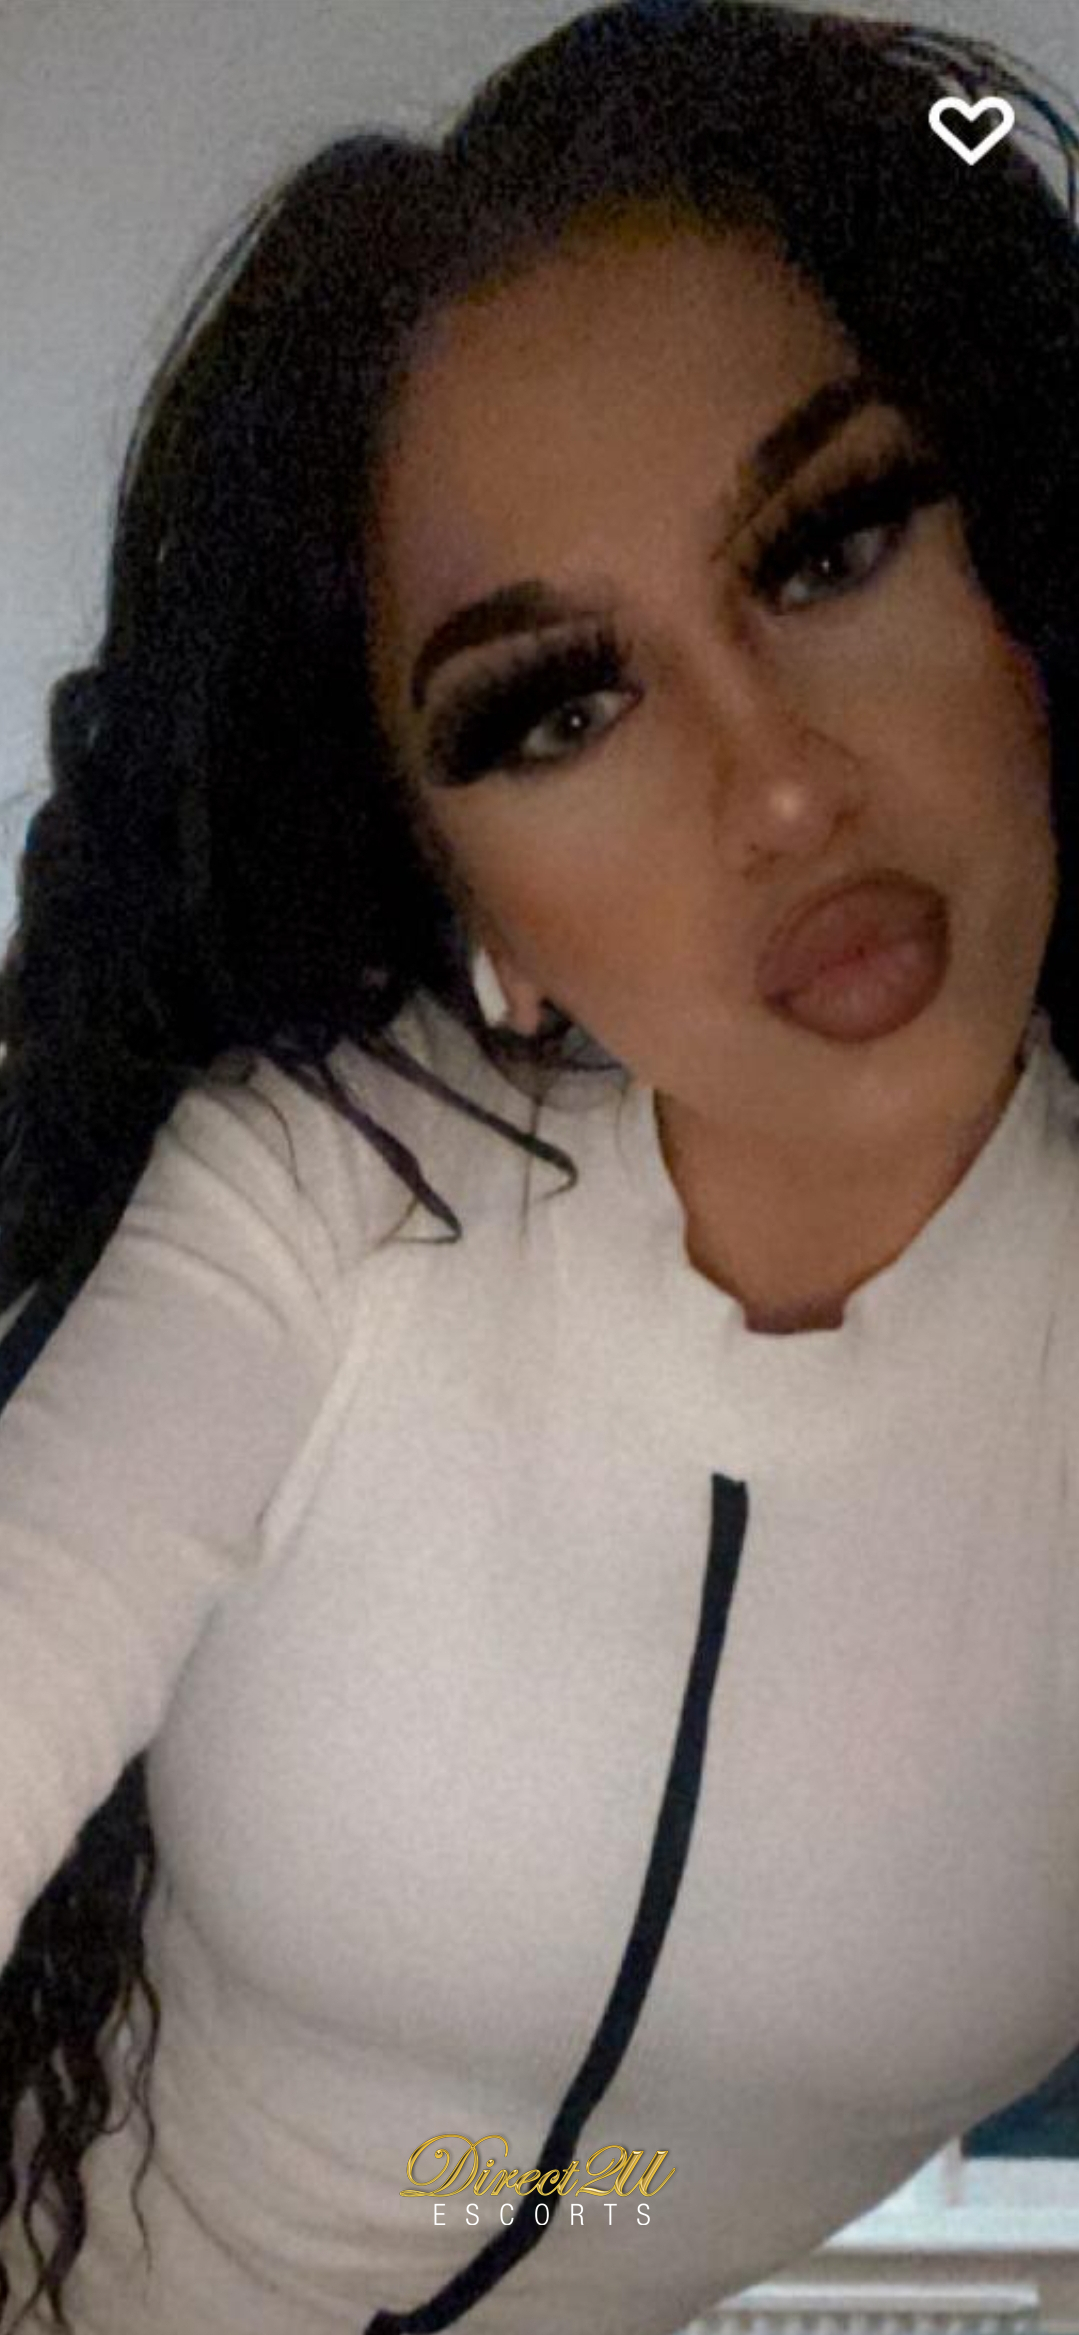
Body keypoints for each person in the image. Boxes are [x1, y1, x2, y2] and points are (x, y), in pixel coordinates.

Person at [2, 0, 1079, 2328]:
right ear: (458, 886)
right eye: (556, 706)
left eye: (832, 545)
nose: (778, 783)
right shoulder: (327, 1201)